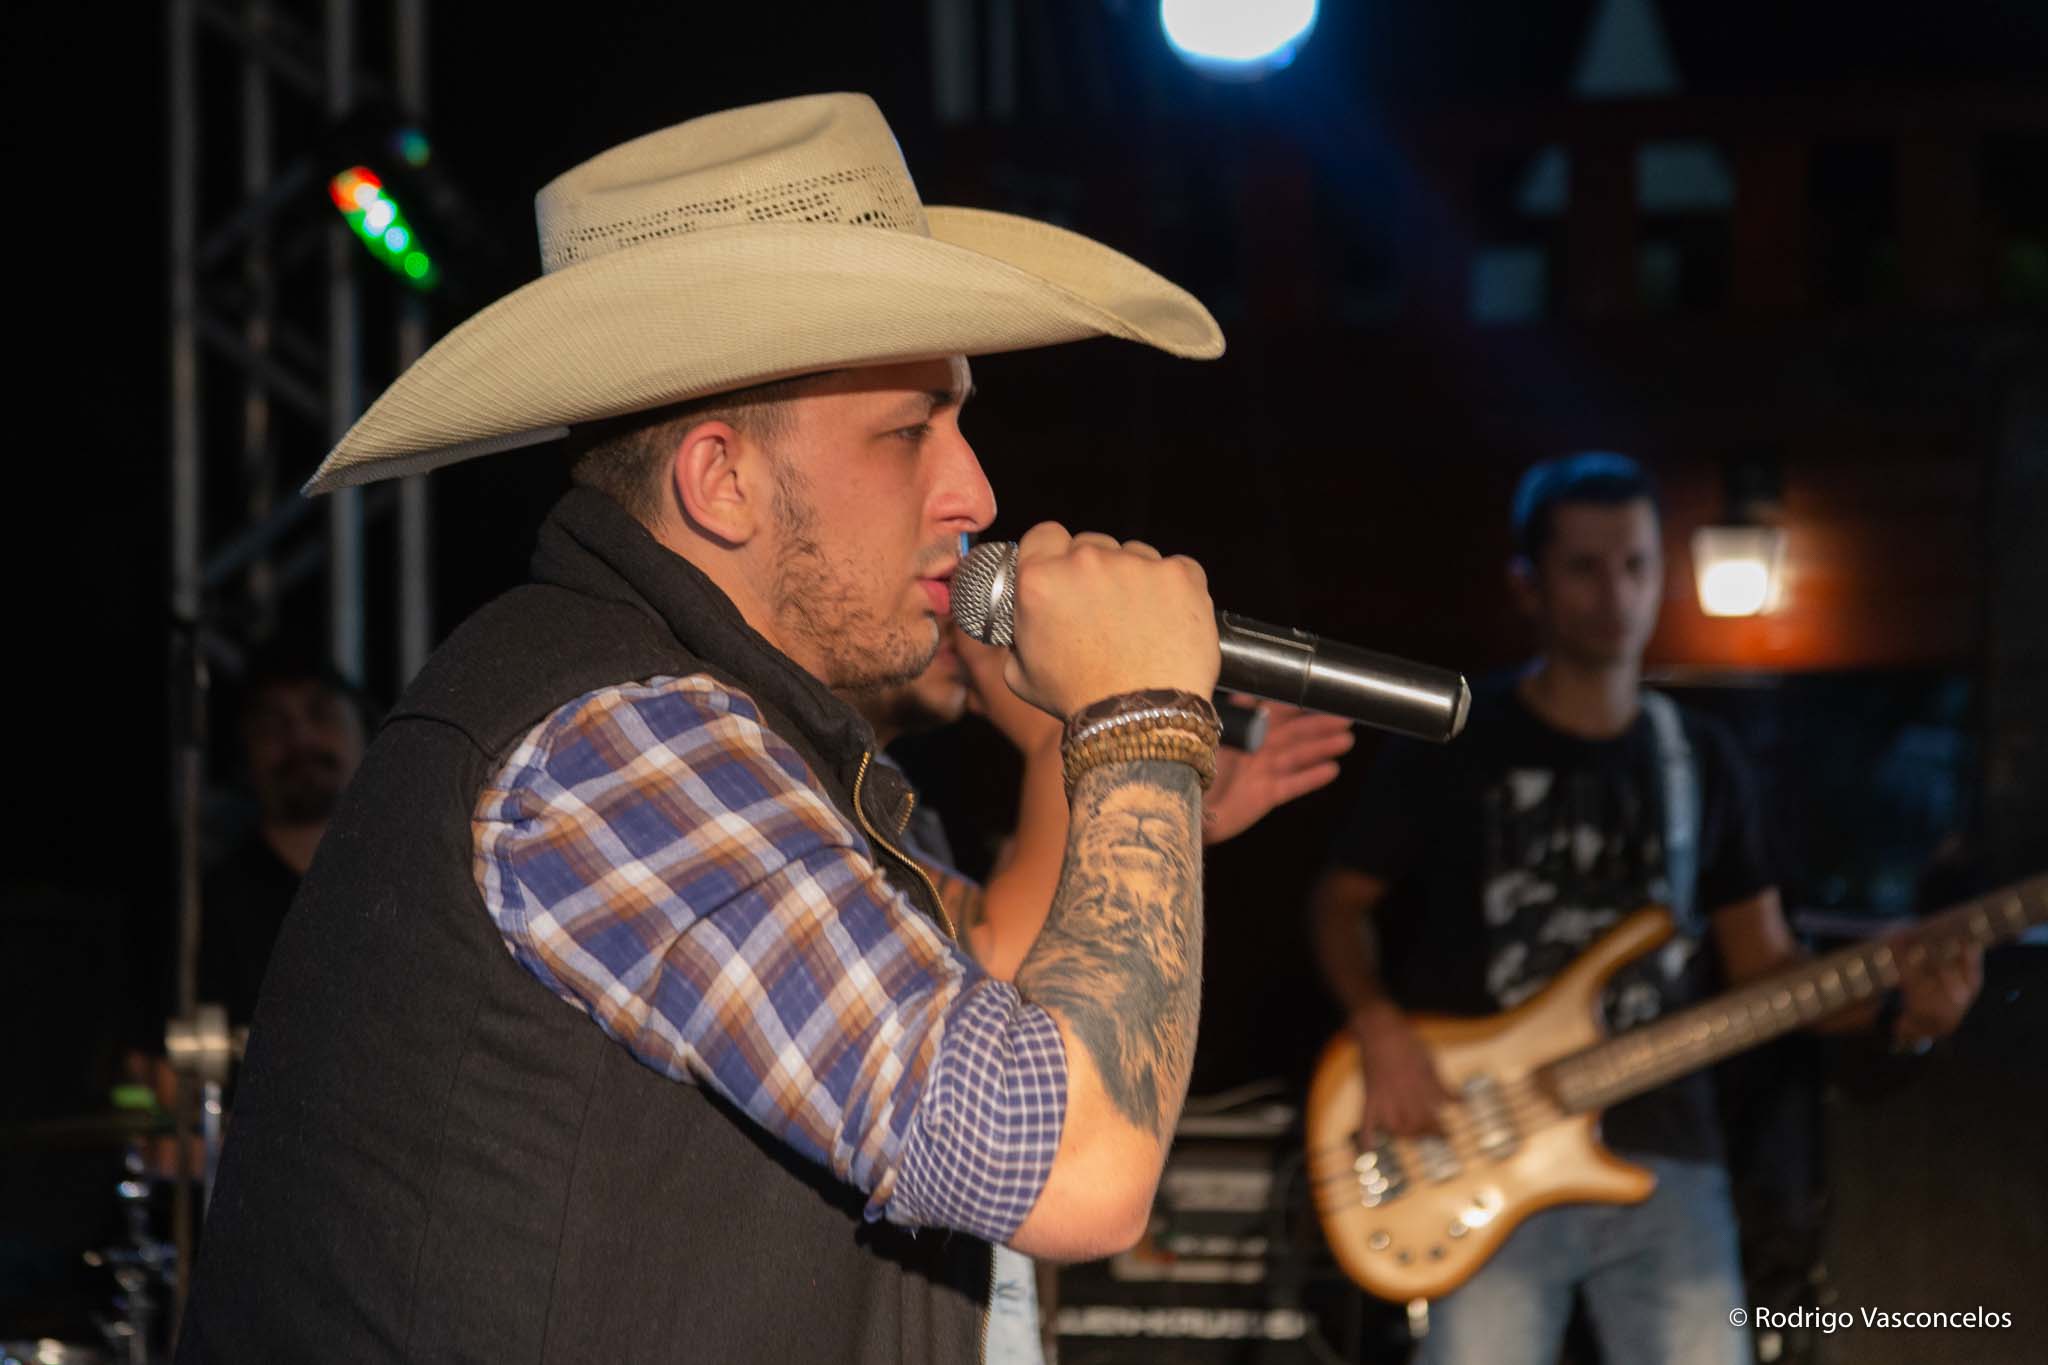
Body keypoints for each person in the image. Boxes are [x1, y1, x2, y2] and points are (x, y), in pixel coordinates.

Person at [178, 93, 1234, 1364]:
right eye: (909, 433)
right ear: (720, 481)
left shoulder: (738, 743)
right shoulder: (611, 742)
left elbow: (1000, 993)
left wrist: (1130, 777)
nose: (975, 492)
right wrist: (1136, 722)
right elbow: (1070, 1162)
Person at [1306, 452, 1982, 1365]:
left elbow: (1767, 969)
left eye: (1635, 565)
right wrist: (1379, 1025)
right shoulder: (1460, 737)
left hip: (1668, 1153)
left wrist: (1899, 1009)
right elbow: (1339, 902)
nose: (1614, 594)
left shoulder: (1700, 756)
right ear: (1529, 583)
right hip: (1477, 1138)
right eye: (1584, 567)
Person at [849, 624, 1356, 1362]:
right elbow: (1003, 957)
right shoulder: (800, 782)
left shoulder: (888, 796)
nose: (955, 609)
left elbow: (1038, 951)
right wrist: (1075, 724)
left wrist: (1165, 822)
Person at [199, 648, 369, 1032]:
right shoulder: (210, 912)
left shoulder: (425, 882)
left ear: (365, 728)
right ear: (243, 756)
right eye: (271, 726)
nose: (300, 738)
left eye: (320, 714)